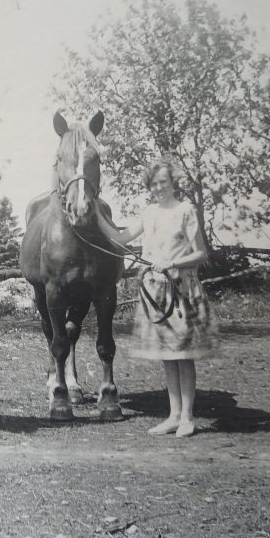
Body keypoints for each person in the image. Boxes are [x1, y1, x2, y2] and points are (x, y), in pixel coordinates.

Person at [94, 157, 214, 438]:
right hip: (155, 292)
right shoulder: (149, 212)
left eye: (164, 182)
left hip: (181, 291)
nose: (159, 188)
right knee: (167, 356)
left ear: (173, 183)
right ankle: (172, 415)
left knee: (183, 356)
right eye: (154, 183)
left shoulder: (186, 210)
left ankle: (187, 416)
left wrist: (173, 264)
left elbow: (201, 254)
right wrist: (95, 213)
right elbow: (120, 238)